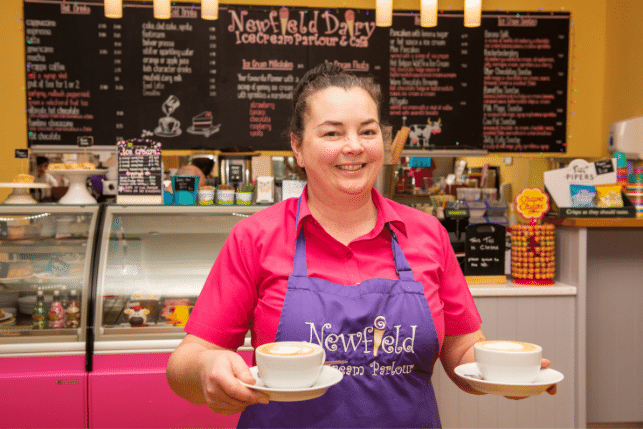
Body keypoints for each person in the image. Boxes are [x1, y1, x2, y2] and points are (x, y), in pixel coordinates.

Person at [166, 63, 557, 428]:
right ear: (298, 148)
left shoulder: (426, 235)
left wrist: (505, 372)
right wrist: (207, 369)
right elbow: (185, 361)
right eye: (332, 133)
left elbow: (462, 348)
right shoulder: (256, 237)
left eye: (367, 131)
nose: (353, 146)